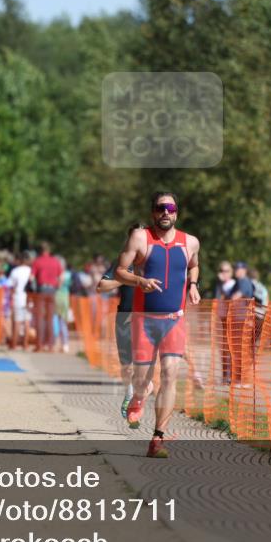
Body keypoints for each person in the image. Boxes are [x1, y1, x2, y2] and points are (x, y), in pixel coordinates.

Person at [115, 192, 201, 459]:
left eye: (171, 207)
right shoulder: (141, 238)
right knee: (141, 380)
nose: (166, 212)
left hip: (174, 319)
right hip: (144, 320)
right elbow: (119, 270)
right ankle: (138, 397)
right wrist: (140, 282)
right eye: (160, 208)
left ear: (177, 212)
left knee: (170, 373)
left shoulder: (191, 242)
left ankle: (158, 438)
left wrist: (194, 285)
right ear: (153, 212)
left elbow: (194, 266)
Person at [97, 222, 150, 418]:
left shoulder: (154, 260)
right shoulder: (121, 262)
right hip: (125, 316)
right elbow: (101, 286)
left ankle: (139, 396)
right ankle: (131, 393)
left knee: (142, 364)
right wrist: (126, 278)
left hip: (147, 316)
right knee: (126, 366)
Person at [30, 241, 62, 352]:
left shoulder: (37, 261)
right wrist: (57, 287)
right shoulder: (56, 261)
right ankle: (50, 346)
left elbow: (31, 278)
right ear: (49, 250)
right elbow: (61, 277)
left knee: (39, 318)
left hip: (41, 290)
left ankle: (39, 345)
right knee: (50, 318)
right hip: (52, 290)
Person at [7, 252, 33, 348]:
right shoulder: (31, 271)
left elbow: (10, 285)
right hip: (29, 298)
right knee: (27, 322)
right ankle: (25, 344)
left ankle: (14, 344)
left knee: (17, 321)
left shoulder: (15, 271)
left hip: (18, 297)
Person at [53, 256, 72, 354]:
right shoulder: (68, 274)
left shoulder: (58, 274)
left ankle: (54, 343)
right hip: (65, 298)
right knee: (62, 322)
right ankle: (65, 344)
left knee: (55, 320)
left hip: (57, 297)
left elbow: (58, 284)